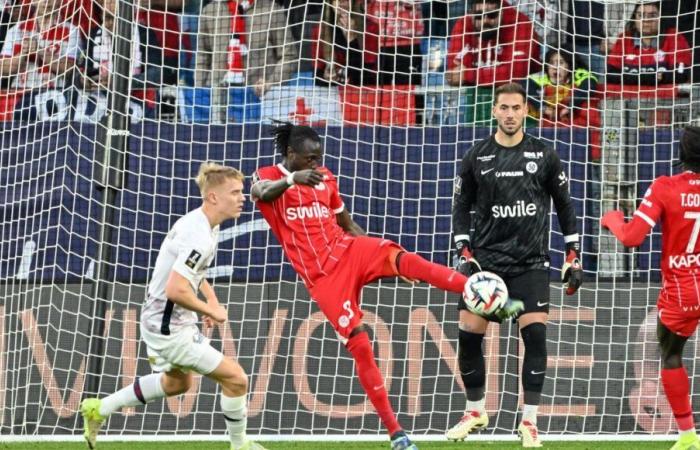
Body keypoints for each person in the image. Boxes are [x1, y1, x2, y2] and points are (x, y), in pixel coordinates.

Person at [251, 122, 523, 450]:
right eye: (309, 158)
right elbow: (260, 194)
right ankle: (396, 433)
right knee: (361, 345)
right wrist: (293, 179)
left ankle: (484, 296)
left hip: (348, 249)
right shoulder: (267, 175)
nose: (315, 163)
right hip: (322, 277)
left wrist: (382, 261)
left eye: (318, 157)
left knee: (405, 259)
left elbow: (347, 224)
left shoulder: (325, 177)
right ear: (290, 154)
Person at [80, 163, 266, 450]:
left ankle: (99, 408)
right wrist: (210, 311)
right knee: (237, 379)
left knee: (177, 384)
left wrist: (210, 298)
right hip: (169, 327)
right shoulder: (200, 236)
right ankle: (240, 445)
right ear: (213, 197)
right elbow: (176, 288)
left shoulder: (202, 223)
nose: (242, 197)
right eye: (235, 192)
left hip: (162, 319)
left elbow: (192, 272)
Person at [447, 82, 582, 448]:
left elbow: (565, 207)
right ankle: (475, 410)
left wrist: (572, 255)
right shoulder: (477, 156)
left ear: (526, 111)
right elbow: (461, 208)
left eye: (516, 108)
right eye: (503, 108)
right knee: (468, 336)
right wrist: (465, 251)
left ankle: (530, 422)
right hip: (487, 266)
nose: (509, 114)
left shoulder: (545, 154)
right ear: (494, 111)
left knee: (534, 335)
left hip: (531, 263)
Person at [601, 126, 700, 450]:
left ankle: (687, 435)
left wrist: (613, 218)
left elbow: (632, 238)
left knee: (670, 355)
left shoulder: (665, 187)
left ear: (680, 155)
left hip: (683, 289)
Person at [446, 0, 540, 88]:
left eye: (492, 15)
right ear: (471, 14)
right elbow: (454, 74)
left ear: (501, 13)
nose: (485, 21)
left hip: (522, 91)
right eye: (479, 16)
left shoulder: (521, 24)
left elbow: (515, 73)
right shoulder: (463, 24)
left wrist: (468, 75)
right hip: (477, 90)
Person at [606, 0, 692, 86]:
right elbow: (610, 74)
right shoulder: (624, 38)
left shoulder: (674, 37)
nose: (646, 20)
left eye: (652, 15)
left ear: (660, 18)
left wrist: (633, 78)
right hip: (628, 97)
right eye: (640, 15)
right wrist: (655, 77)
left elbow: (681, 74)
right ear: (634, 18)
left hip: (665, 98)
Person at [524, 47, 599, 126]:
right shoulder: (542, 76)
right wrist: (543, 107)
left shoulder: (577, 74)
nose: (555, 67)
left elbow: (590, 85)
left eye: (561, 63)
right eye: (551, 63)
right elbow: (524, 86)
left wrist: (570, 106)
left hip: (572, 118)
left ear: (569, 65)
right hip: (546, 117)